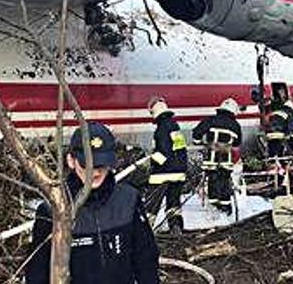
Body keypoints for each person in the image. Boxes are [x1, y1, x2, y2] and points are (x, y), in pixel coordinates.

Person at [26, 122, 159, 284]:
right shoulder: (52, 210)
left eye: (101, 164)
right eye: (87, 164)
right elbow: (37, 272)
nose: (95, 172)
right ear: (71, 160)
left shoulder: (129, 200)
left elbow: (146, 260)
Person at [145, 97, 188, 235]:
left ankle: (145, 231)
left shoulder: (161, 130)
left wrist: (151, 160)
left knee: (151, 205)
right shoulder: (175, 127)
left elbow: (163, 153)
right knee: (173, 203)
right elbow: (179, 150)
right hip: (179, 172)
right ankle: (176, 228)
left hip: (162, 174)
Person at [192, 99, 243, 215]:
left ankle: (214, 206)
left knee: (212, 180)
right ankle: (225, 206)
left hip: (211, 159)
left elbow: (196, 134)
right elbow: (236, 144)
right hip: (226, 160)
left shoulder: (210, 120)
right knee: (224, 182)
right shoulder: (235, 125)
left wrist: (200, 142)